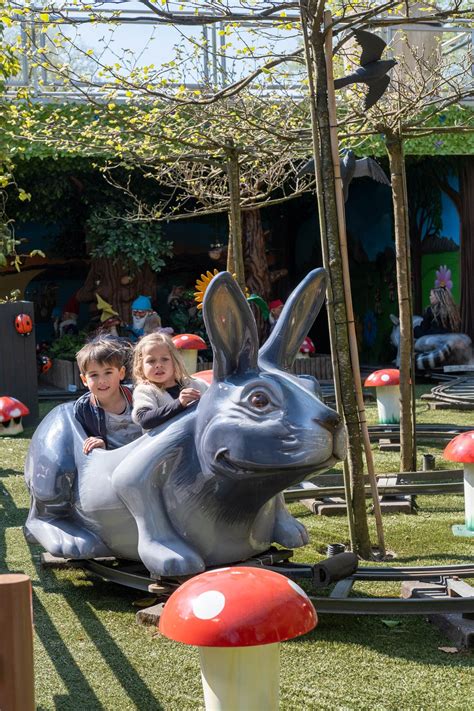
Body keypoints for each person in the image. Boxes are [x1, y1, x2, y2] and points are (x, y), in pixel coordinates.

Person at [74, 337, 141, 454]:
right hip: (112, 463)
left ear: (121, 373)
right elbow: (80, 438)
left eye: (108, 372)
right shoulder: (83, 408)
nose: (102, 381)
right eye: (94, 375)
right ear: (84, 380)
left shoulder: (138, 395)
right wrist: (98, 441)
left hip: (145, 456)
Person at [132, 332, 208, 431]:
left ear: (174, 361)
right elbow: (144, 420)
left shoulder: (193, 384)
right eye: (151, 361)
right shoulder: (145, 390)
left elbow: (217, 399)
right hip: (165, 445)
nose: (159, 365)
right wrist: (179, 404)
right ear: (141, 366)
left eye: (164, 359)